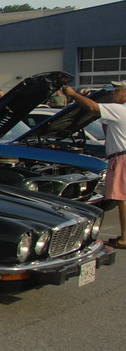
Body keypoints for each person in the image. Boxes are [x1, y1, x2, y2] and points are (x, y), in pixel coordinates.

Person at [64, 81, 126, 249]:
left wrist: (73, 94)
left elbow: (93, 108)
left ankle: (125, 238)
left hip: (122, 157)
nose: (114, 93)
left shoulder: (120, 110)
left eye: (117, 89)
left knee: (122, 199)